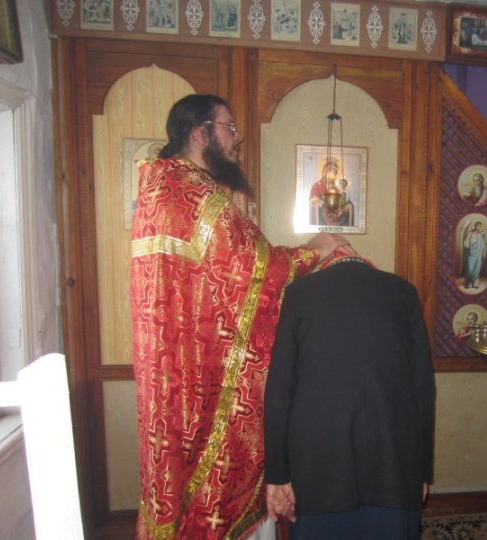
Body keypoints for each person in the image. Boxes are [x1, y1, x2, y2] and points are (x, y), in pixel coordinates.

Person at [129, 94, 350, 540]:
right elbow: (257, 271)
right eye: (228, 128)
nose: (237, 138)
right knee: (210, 499)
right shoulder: (199, 198)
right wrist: (317, 249)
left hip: (170, 375)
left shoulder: (160, 188)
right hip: (201, 382)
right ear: (200, 133)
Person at [263, 248, 436, 540]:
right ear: (367, 263)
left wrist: (278, 476)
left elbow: (279, 390)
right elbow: (424, 391)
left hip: (318, 467)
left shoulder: (299, 293)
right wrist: (421, 471)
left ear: (325, 265)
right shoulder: (404, 292)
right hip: (394, 467)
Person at [462, 220, 487, 289]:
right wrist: (468, 244)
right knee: (470, 268)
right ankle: (468, 284)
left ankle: (475, 284)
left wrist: (485, 248)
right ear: (475, 226)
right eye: (478, 226)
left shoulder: (480, 235)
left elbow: (482, 244)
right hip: (471, 253)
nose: (479, 227)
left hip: (478, 254)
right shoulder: (470, 233)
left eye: (480, 227)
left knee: (477, 267)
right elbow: (466, 242)